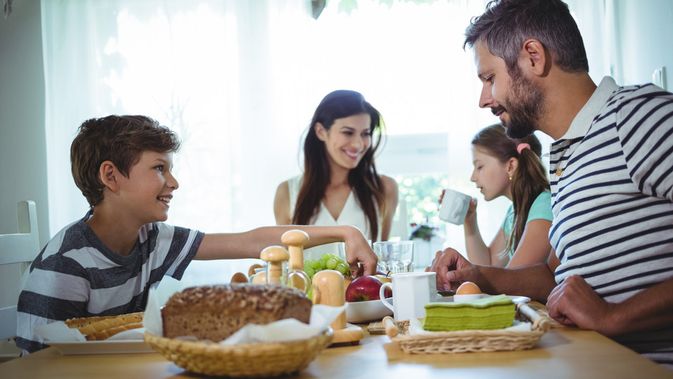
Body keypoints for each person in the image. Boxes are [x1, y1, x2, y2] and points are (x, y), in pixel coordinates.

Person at [430, 0, 673, 368]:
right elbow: (552, 278)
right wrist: (478, 275)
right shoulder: (563, 155)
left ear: (533, 56)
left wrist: (614, 316)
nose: (484, 100)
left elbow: (602, 310)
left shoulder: (639, 117)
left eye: (489, 78)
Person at [16, 115, 378, 354]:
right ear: (110, 177)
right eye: (159, 169)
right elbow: (41, 364)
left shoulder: (153, 238)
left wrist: (344, 232)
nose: (173, 183)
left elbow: (252, 240)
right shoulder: (65, 264)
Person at [274, 90, 398, 244]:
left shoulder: (385, 188)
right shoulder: (287, 192)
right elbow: (286, 258)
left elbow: (381, 257)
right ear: (321, 132)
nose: (358, 144)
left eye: (365, 134)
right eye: (348, 132)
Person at [459, 124, 551, 268]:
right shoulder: (513, 213)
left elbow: (514, 278)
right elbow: (489, 265)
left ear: (511, 166)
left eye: (479, 166)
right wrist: (469, 220)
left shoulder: (544, 205)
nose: (472, 177)